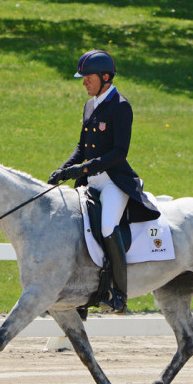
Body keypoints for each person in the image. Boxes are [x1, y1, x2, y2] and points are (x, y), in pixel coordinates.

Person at [48, 50, 160, 313]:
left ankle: (119, 294)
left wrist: (84, 168)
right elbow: (82, 146)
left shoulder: (120, 106)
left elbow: (119, 152)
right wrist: (64, 170)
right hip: (90, 183)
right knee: (75, 229)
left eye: (88, 77)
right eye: (83, 77)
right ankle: (82, 292)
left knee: (108, 227)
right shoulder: (90, 105)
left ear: (105, 77)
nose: (84, 82)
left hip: (113, 182)